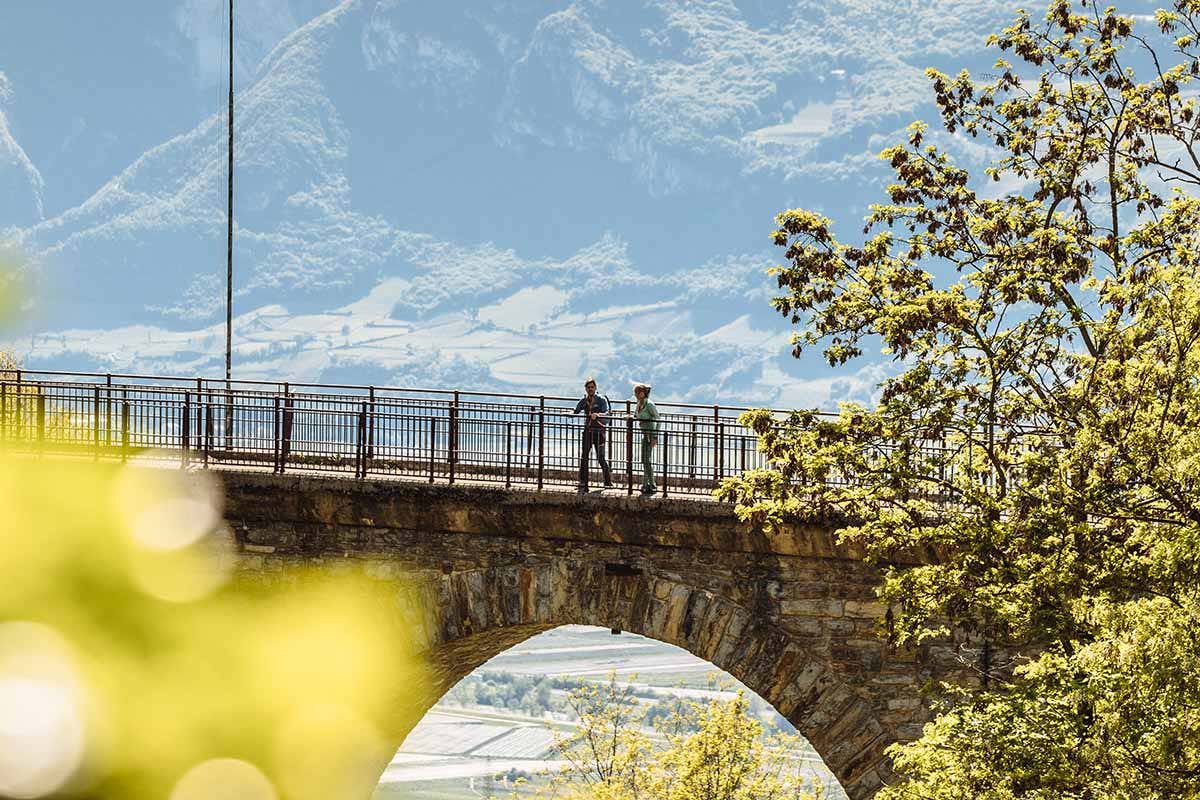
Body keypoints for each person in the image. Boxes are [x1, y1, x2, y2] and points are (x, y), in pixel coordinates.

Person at [573, 377, 613, 493]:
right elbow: (576, 410)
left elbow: (607, 413)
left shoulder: (601, 400)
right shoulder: (584, 400)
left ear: (595, 388)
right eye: (588, 387)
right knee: (584, 456)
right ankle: (583, 481)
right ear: (585, 389)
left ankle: (607, 481)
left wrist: (598, 415)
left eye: (592, 387)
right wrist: (569, 413)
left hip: (599, 432)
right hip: (588, 431)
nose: (590, 389)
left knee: (600, 458)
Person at [632, 382, 659, 496]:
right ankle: (648, 483)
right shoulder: (639, 404)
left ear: (642, 393)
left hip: (650, 434)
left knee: (647, 459)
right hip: (644, 433)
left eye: (637, 393)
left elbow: (657, 419)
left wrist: (655, 437)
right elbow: (636, 415)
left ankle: (650, 484)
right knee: (644, 459)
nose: (635, 395)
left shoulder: (649, 405)